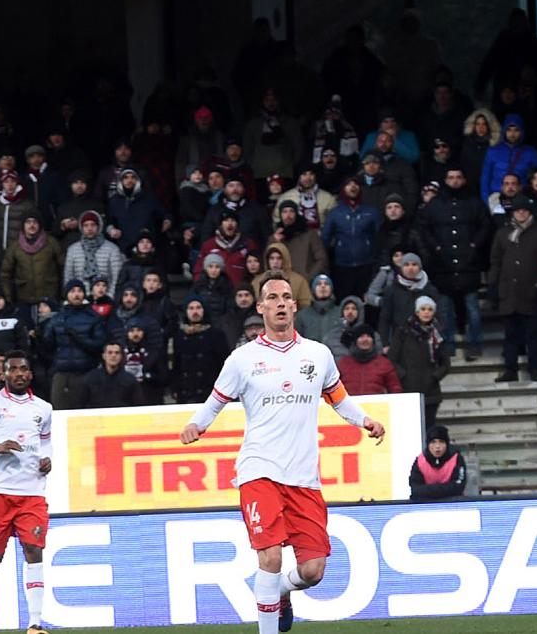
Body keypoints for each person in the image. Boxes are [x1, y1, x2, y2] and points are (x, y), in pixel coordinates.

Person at [178, 271, 385, 634]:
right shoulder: (242, 359)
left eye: (286, 297)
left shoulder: (317, 355)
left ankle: (282, 592)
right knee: (270, 556)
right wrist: (196, 425)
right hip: (259, 470)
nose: (280, 303)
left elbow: (339, 399)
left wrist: (365, 420)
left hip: (304, 477)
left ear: (294, 305)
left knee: (312, 572)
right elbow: (214, 403)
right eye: (272, 298)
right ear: (260, 308)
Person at [0, 351, 53, 634]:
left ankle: (35, 624)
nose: (19, 373)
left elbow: (46, 443)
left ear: (30, 374)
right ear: (3, 374)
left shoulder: (43, 408)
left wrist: (47, 460)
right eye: (13, 369)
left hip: (32, 493)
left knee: (34, 551)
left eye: (24, 369)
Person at [415, 166, 492, 361]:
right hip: (443, 266)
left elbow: (486, 225)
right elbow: (424, 229)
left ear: (464, 180)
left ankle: (474, 345)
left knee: (473, 311)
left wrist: (475, 245)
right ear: (445, 180)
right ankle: (447, 345)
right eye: (451, 177)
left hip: (469, 265)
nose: (455, 181)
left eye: (459, 177)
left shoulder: (474, 203)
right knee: (445, 311)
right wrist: (437, 248)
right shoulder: (434, 205)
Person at [489, 196, 537, 382]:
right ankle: (510, 369)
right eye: (518, 210)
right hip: (509, 292)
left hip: (533, 291)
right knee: (510, 336)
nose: (521, 213)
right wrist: (494, 286)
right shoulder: (503, 234)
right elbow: (496, 262)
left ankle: (535, 368)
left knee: (534, 334)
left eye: (525, 210)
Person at [40, 279, 108, 409]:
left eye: (80, 291)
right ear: (67, 295)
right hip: (62, 373)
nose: (76, 294)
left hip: (87, 372)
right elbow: (47, 347)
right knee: (59, 414)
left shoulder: (94, 317)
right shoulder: (57, 319)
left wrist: (78, 339)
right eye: (72, 291)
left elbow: (99, 345)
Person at [387, 297, 450, 428]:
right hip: (408, 389)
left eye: (430, 309)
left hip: (431, 391)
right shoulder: (403, 331)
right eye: (423, 309)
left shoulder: (438, 334)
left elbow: (445, 363)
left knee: (429, 427)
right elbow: (392, 358)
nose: (426, 312)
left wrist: (434, 376)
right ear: (417, 312)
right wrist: (403, 376)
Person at [480, 114, 537, 201]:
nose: (512, 134)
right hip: (497, 196)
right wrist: (487, 200)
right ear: (504, 131)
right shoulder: (493, 151)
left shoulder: (531, 152)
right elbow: (485, 178)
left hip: (522, 198)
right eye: (509, 130)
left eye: (516, 130)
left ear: (522, 131)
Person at [62, 210, 123, 295]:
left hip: (106, 299)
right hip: (79, 300)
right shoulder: (72, 250)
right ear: (81, 228)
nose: (89, 228)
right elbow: (68, 278)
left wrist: (108, 298)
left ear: (99, 226)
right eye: (86, 225)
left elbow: (116, 278)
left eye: (93, 225)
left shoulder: (112, 249)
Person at [335, 323, 401, 395]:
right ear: (355, 341)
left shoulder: (384, 363)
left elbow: (395, 389)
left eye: (368, 336)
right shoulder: (343, 363)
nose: (365, 339)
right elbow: (332, 388)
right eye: (361, 336)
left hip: (376, 405)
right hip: (348, 405)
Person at [77, 342, 146, 408]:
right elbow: (80, 405)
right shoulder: (90, 378)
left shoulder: (131, 380)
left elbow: (139, 406)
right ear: (104, 356)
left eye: (117, 353)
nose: (113, 355)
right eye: (110, 352)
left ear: (121, 356)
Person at [408, 424, 467, 501]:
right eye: (433, 442)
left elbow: (458, 487)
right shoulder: (420, 462)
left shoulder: (456, 459)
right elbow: (415, 490)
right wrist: (443, 489)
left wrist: (429, 491)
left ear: (447, 444)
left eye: (441, 442)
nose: (437, 446)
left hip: (453, 504)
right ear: (428, 445)